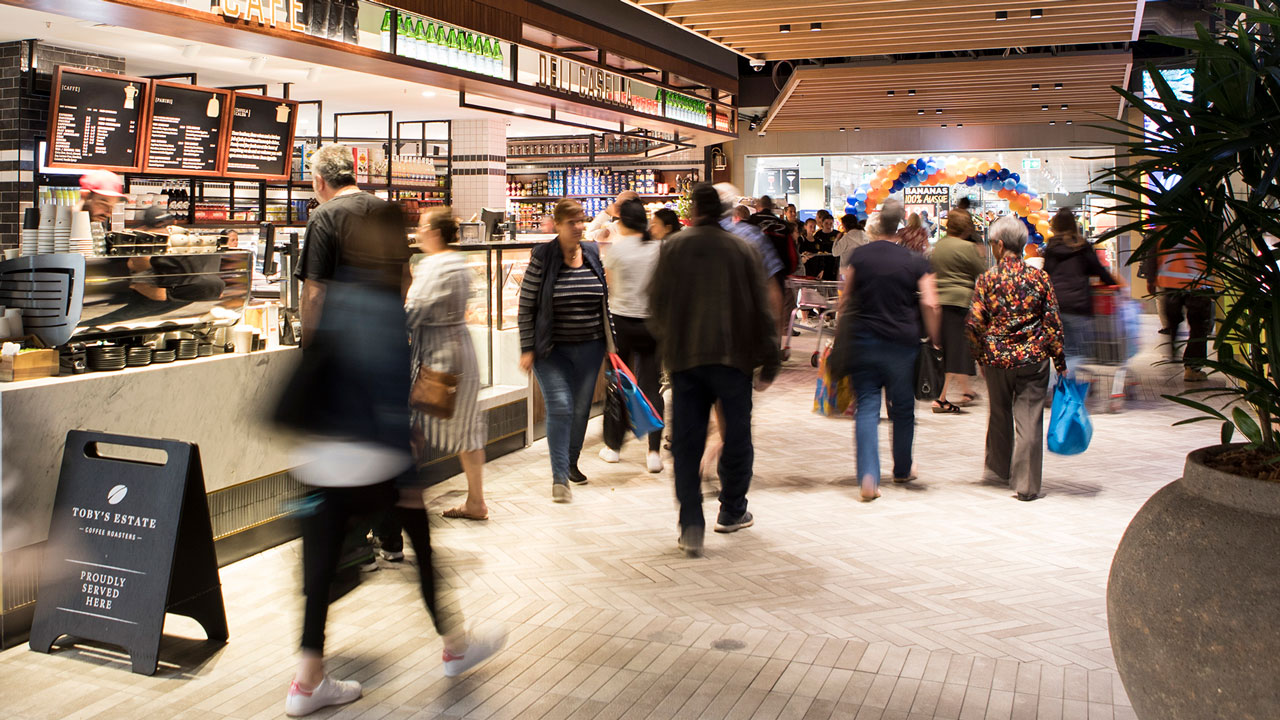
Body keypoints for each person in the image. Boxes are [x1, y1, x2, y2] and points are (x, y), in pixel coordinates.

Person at [285, 145, 503, 717]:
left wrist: (312, 361)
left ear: (319, 180)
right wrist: (403, 436)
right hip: (375, 440)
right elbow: (392, 346)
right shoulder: (382, 293)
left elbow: (312, 297)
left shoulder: (326, 240)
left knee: (324, 548)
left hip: (331, 436)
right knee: (418, 537)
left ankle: (308, 678)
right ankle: (453, 645)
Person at [648, 183, 780, 557]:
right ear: (723, 213)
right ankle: (732, 510)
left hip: (685, 361)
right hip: (732, 360)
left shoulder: (672, 247)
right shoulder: (742, 249)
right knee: (737, 437)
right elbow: (761, 309)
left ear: (693, 212)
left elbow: (656, 303)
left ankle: (691, 523)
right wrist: (769, 358)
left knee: (687, 444)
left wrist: (669, 342)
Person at [841, 202, 940, 502]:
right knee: (902, 409)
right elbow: (931, 303)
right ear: (899, 227)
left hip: (864, 341)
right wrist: (935, 339)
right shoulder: (916, 260)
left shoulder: (859, 256)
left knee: (868, 408)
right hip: (902, 344)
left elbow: (846, 299)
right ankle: (902, 469)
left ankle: (869, 477)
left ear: (876, 227)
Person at [966, 216, 1067, 502]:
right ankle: (1026, 484)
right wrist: (1059, 361)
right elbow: (1053, 323)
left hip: (997, 360)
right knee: (1030, 418)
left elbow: (974, 323)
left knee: (999, 413)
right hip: (1033, 359)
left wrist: (979, 358)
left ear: (999, 246)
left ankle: (998, 471)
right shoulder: (1039, 278)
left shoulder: (987, 279)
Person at [518, 199, 611, 503]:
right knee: (560, 406)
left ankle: (571, 462)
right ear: (557, 225)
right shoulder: (543, 256)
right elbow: (527, 304)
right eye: (571, 222)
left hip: (591, 346)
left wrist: (611, 345)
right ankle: (559, 477)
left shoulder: (593, 253)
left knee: (581, 409)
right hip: (551, 350)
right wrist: (527, 347)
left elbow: (603, 299)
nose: (579, 227)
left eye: (581, 220)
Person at [407, 207, 490, 521]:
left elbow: (415, 310)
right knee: (467, 428)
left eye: (421, 225)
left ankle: (401, 505)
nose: (417, 231)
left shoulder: (433, 265)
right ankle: (476, 500)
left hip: (437, 356)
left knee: (414, 427)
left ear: (436, 232)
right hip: (461, 349)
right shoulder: (457, 260)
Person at [599, 198, 664, 472]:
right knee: (652, 384)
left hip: (621, 323)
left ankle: (614, 447)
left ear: (622, 222)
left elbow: (610, 286)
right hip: (651, 323)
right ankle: (653, 453)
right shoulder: (658, 248)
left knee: (619, 384)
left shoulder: (616, 250)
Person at [1042, 208, 1118, 377]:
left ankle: (1056, 386)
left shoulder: (1051, 247)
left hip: (1055, 306)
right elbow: (1099, 270)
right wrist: (1113, 284)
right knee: (1076, 351)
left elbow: (1045, 275)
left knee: (1059, 350)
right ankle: (1059, 387)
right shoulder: (1082, 246)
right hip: (1078, 305)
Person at [930, 209, 988, 413]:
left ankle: (958, 392)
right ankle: (940, 398)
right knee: (955, 352)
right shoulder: (967, 247)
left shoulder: (939, 246)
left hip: (940, 301)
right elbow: (982, 272)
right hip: (960, 303)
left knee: (947, 349)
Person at [1142, 240, 1212, 382]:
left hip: (1171, 282)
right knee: (1198, 325)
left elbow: (1153, 253)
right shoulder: (1204, 225)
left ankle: (1173, 345)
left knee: (1173, 317)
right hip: (1198, 282)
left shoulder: (1165, 226)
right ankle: (1192, 368)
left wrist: (1150, 279)